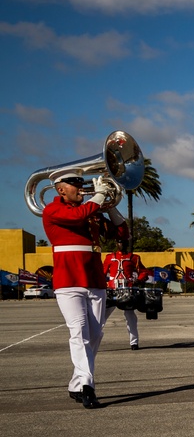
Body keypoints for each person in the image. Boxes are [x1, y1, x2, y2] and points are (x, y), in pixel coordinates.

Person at [43, 168, 129, 409]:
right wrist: (99, 196)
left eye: (81, 182)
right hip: (68, 280)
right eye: (74, 183)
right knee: (79, 331)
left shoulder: (92, 212)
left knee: (94, 334)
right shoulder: (52, 210)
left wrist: (110, 204)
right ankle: (88, 385)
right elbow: (75, 217)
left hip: (94, 280)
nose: (81, 187)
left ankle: (76, 382)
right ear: (60, 189)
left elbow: (122, 233)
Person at [103, 238, 149, 350]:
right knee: (102, 316)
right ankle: (92, 341)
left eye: (123, 242)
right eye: (119, 242)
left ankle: (134, 342)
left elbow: (143, 272)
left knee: (130, 317)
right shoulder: (109, 257)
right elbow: (102, 272)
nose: (121, 244)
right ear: (116, 243)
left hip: (127, 290)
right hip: (112, 290)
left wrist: (138, 279)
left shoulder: (134, 257)